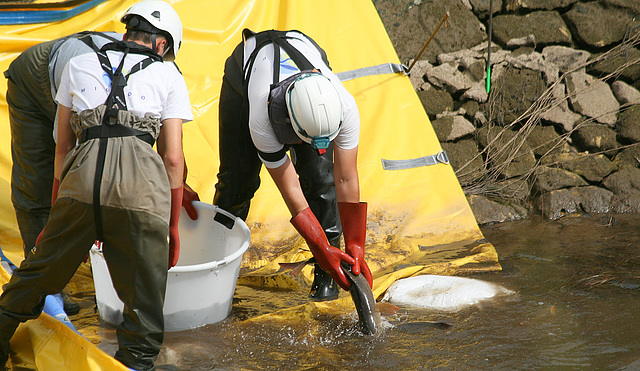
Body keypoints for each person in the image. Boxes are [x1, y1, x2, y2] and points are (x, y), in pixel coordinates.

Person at [0, 1, 192, 370]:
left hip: (80, 178)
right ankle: (135, 362)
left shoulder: (78, 64)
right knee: (144, 294)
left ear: (126, 33)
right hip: (141, 187)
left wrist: (59, 214)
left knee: (40, 271)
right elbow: (172, 158)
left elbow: (62, 148)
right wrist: (170, 225)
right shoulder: (169, 76)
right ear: (163, 46)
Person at [214, 29, 373, 302]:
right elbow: (293, 195)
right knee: (238, 183)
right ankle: (217, 260)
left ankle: (328, 278)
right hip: (244, 77)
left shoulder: (344, 106)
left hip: (303, 52)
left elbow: (345, 179)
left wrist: (356, 245)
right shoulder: (261, 121)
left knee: (322, 180)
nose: (319, 148)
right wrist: (320, 247)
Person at [5, 29, 124, 315]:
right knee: (35, 184)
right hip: (35, 80)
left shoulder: (157, 76)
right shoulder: (88, 83)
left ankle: (108, 283)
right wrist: (67, 219)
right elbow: (66, 152)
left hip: (71, 74)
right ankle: (42, 286)